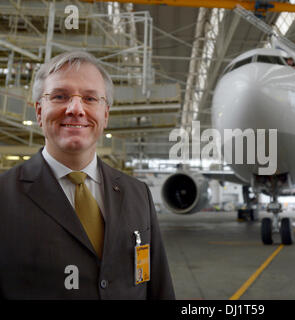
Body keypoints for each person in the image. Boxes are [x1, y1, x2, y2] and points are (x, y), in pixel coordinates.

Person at [0, 51, 175, 299]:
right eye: (60, 96)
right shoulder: (4, 196)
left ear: (105, 115)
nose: (75, 109)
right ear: (39, 111)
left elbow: (158, 288)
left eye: (90, 98)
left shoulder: (138, 194)